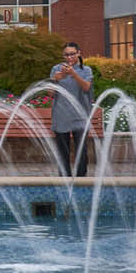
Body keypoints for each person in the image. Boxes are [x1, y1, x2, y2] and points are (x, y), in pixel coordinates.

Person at [48, 42, 95, 176]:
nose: (69, 57)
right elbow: (50, 94)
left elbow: (86, 87)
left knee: (82, 151)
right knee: (63, 152)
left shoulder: (86, 70)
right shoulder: (56, 69)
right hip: (61, 115)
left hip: (80, 116)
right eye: (66, 55)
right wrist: (55, 80)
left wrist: (74, 74)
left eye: (72, 54)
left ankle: (81, 180)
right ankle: (64, 180)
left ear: (79, 53)